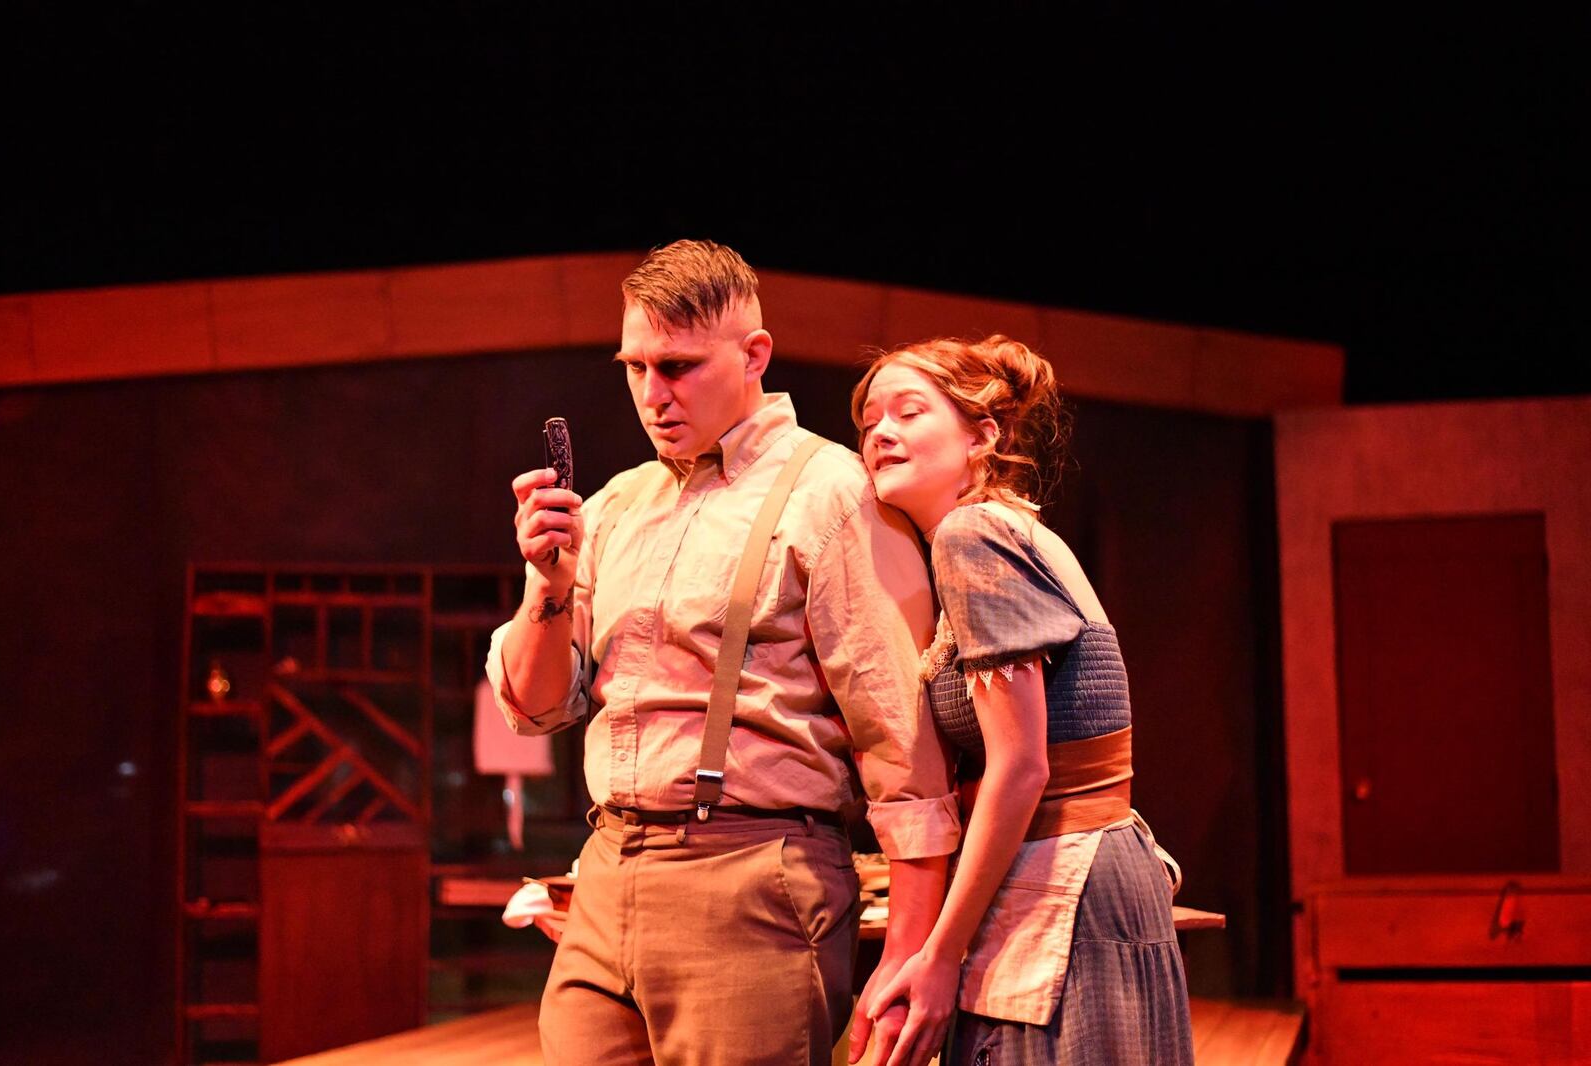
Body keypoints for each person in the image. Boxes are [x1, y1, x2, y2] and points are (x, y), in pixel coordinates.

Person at [488, 240, 961, 1066]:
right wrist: (547, 583)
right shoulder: (618, 505)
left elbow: (903, 748)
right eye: (634, 367)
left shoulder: (829, 492)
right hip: (606, 874)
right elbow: (533, 710)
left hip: (752, 883)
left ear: (754, 356)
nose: (650, 393)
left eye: (676, 367)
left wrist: (913, 955)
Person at [851, 336, 1193, 1065]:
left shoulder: (973, 535)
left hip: (1067, 873)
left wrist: (940, 956)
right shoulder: (1011, 528)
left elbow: (1022, 767)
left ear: (983, 435)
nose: (881, 432)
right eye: (869, 420)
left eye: (909, 412)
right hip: (1097, 857)